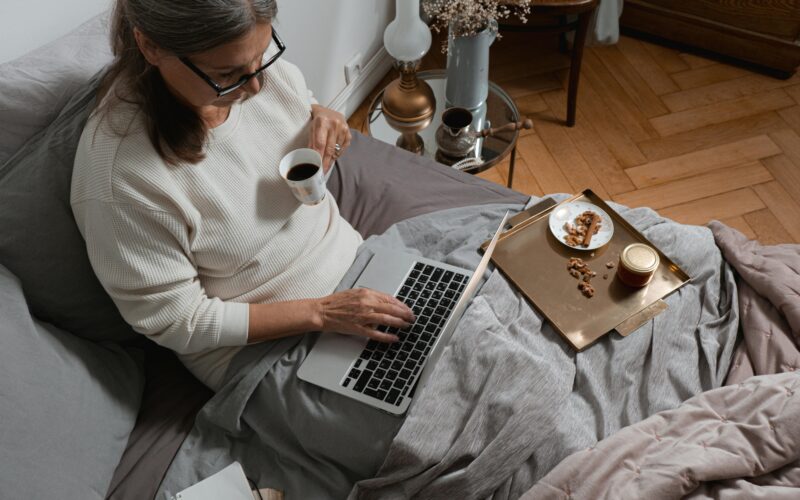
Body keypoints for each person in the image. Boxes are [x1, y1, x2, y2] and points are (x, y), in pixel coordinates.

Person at [70, 0, 414, 391]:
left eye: (262, 57)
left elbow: (272, 114)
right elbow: (177, 321)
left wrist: (321, 114)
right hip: (264, 356)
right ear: (152, 48)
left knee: (479, 307)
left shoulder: (257, 75)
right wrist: (322, 313)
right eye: (228, 74)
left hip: (357, 271)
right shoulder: (123, 179)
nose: (255, 87)